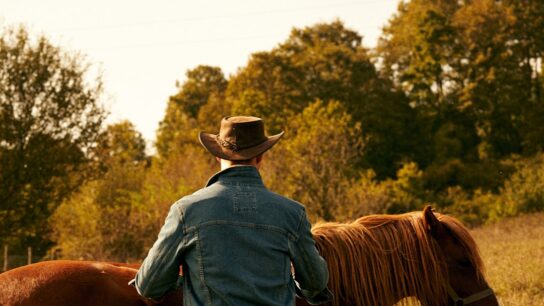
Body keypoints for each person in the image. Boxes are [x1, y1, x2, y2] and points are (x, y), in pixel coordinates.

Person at [132, 116, 333, 306]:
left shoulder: (186, 211)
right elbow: (316, 283)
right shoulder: (292, 213)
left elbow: (149, 285)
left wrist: (186, 281)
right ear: (261, 156)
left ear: (218, 156)